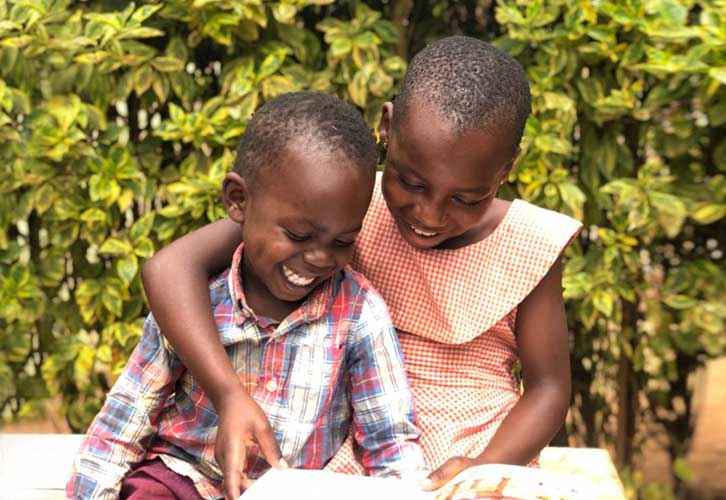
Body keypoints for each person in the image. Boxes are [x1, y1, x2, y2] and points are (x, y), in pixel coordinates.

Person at [142, 36, 583, 495]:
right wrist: (227, 391)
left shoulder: (529, 242)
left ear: (507, 168)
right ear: (386, 128)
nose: (428, 215)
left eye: (466, 198)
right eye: (410, 182)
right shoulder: (341, 208)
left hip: (484, 452)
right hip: (358, 453)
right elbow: (169, 269)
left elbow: (549, 389)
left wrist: (482, 468)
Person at [67, 92, 424, 500]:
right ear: (238, 200)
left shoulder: (360, 313)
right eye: (298, 235)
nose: (320, 257)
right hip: (184, 477)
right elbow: (123, 422)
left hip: (289, 489)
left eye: (343, 240)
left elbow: (389, 442)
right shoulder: (198, 302)